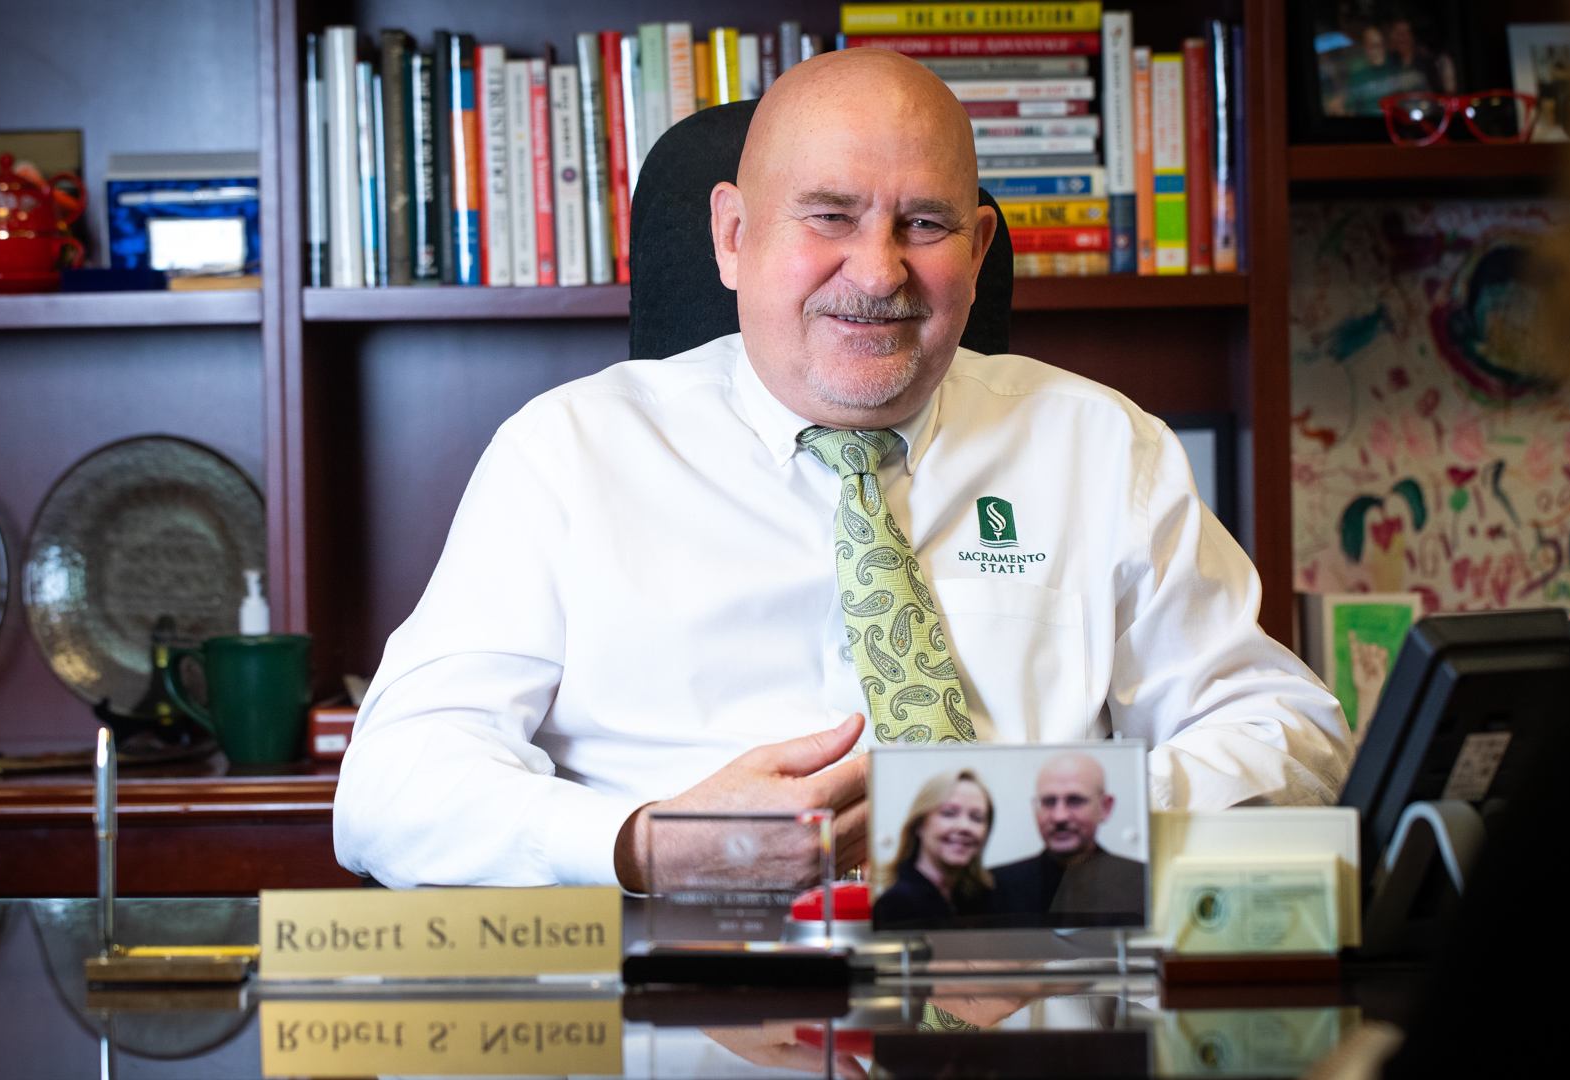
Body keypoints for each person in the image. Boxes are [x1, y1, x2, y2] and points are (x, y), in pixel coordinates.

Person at [334, 47, 1350, 890]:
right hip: (686, 1007)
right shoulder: (568, 454)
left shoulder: (1101, 448)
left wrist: (1040, 817)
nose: (878, 272)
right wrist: (648, 842)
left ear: (982, 246)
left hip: (1024, 1001)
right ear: (734, 237)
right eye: (829, 215)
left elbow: (1292, 739)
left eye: (926, 223)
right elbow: (390, 792)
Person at [988, 753, 1146, 923]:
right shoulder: (994, 888)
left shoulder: (1144, 883)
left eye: (1075, 800)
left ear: (1105, 807)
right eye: (1049, 801)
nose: (1060, 817)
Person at [873, 770, 997, 926]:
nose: (965, 827)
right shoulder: (895, 905)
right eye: (949, 813)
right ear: (918, 824)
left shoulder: (980, 900)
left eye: (977, 818)